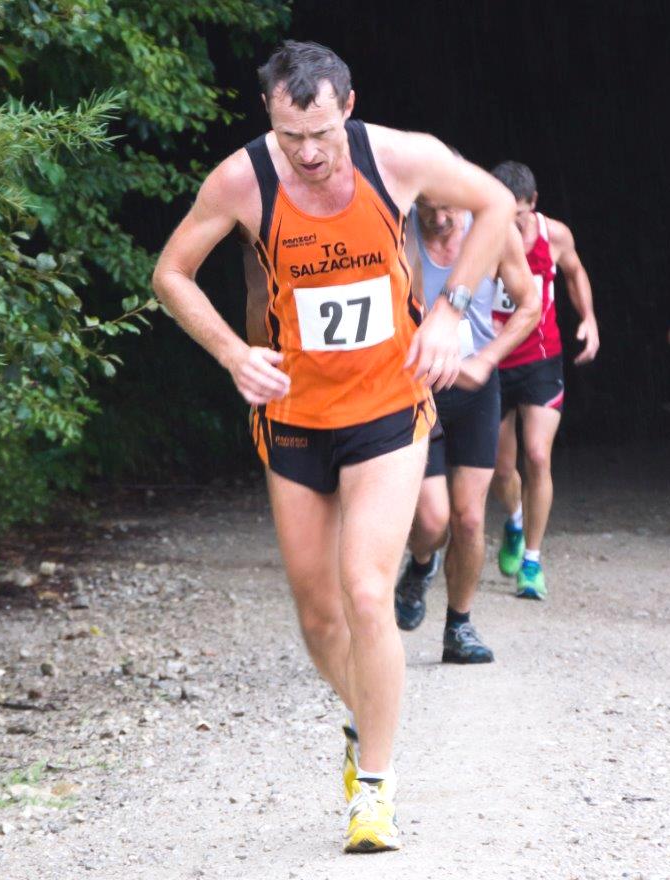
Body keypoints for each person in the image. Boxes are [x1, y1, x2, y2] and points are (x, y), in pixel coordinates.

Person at [152, 40, 514, 852]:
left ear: (347, 107)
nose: (309, 154)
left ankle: (374, 794)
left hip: (388, 406)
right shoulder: (243, 179)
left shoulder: (398, 158)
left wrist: (453, 308)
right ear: (269, 117)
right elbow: (170, 273)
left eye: (321, 134)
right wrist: (232, 353)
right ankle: (364, 720)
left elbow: (493, 203)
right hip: (294, 417)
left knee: (365, 592)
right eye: (292, 136)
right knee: (319, 617)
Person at [394, 191, 540, 663]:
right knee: (431, 520)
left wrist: (487, 360)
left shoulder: (492, 232)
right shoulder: (400, 228)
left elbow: (530, 305)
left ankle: (459, 626)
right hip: (417, 389)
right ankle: (421, 564)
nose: (439, 219)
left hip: (476, 386)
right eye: (428, 208)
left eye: (449, 209)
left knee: (470, 517)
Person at [490, 161, 599, 599]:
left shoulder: (555, 235)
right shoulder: (483, 236)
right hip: (494, 362)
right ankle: (514, 521)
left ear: (533, 203)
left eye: (518, 215)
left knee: (537, 456)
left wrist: (589, 318)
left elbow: (574, 271)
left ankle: (532, 562)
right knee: (502, 470)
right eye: (504, 213)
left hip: (540, 359)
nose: (511, 224)